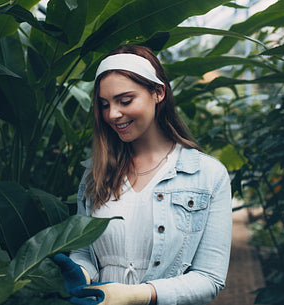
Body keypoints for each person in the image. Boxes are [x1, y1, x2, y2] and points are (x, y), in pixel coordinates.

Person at [53, 45, 232, 305]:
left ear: (158, 92)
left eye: (125, 101)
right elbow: (85, 253)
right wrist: (80, 272)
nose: (113, 114)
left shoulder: (208, 176)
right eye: (104, 104)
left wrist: (138, 295)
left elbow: (209, 278)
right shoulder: (95, 174)